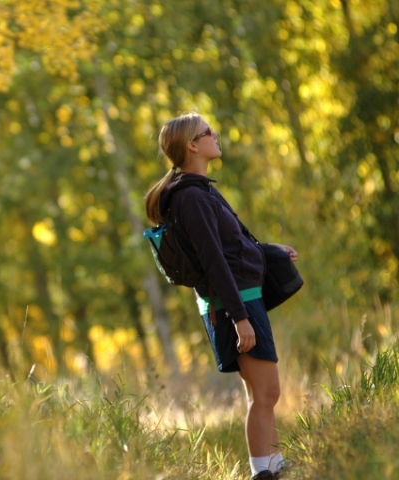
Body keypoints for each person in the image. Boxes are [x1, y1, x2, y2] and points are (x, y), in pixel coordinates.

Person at [143, 113, 298, 480]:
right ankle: (263, 473)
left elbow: (227, 245)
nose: (215, 135)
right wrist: (240, 317)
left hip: (238, 299)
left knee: (261, 394)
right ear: (192, 145)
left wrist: (268, 250)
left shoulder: (199, 190)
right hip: (234, 304)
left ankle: (274, 468)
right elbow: (213, 261)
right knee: (267, 392)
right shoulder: (191, 198)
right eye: (207, 131)